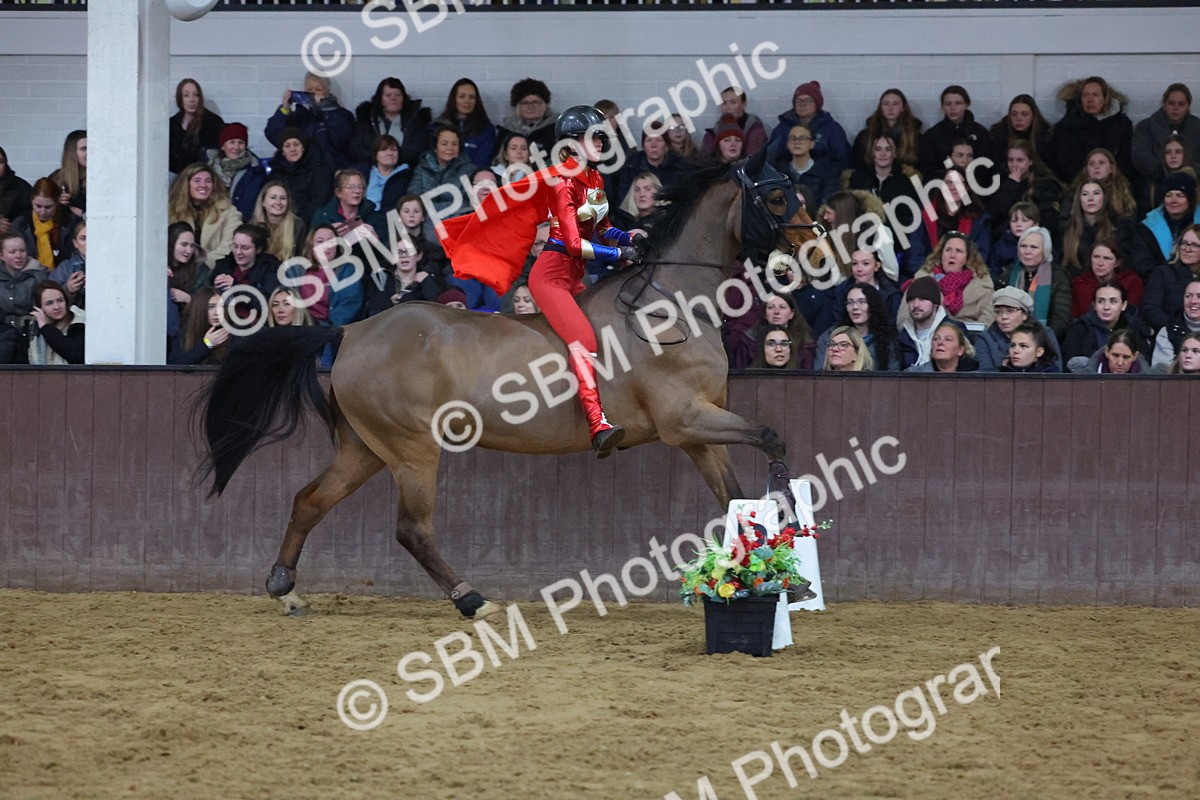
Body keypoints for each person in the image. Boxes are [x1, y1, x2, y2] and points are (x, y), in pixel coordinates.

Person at [439, 106, 644, 456]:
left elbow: (602, 229)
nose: (600, 143)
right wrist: (619, 255)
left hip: (574, 275)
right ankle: (596, 425)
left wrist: (629, 238)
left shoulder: (594, 180)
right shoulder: (562, 183)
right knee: (583, 339)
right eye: (595, 137)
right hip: (550, 277)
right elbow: (574, 244)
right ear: (573, 143)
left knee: (611, 334)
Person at [902, 169, 992, 277]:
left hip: (966, 280)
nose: (953, 187)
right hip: (928, 278)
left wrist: (956, 279)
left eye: (958, 183)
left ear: (967, 188)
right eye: (948, 182)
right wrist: (937, 276)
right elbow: (914, 259)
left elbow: (980, 259)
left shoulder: (980, 220)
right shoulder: (923, 217)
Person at [904, 232, 995, 328]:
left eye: (959, 251)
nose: (952, 255)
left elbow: (988, 321)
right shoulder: (921, 280)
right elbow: (904, 318)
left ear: (967, 258)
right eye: (948, 250)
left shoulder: (983, 284)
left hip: (970, 339)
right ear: (941, 254)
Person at [265, 72, 355, 170]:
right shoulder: (297, 117)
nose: (313, 93)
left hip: (329, 171)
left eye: (318, 89)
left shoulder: (341, 115)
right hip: (299, 171)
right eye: (309, 89)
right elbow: (273, 135)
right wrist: (284, 109)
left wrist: (324, 107)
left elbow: (341, 140)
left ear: (328, 91)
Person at [1052, 76, 1134, 183]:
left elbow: (1125, 160)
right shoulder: (1067, 127)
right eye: (1085, 95)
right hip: (1079, 184)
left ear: (1104, 99)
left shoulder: (1122, 125)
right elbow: (1068, 163)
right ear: (1080, 100)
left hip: (1114, 183)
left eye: (1095, 95)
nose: (1090, 100)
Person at [985, 140, 1063, 243]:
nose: (1014, 165)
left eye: (1020, 160)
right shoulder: (1000, 181)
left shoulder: (1046, 185)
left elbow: (1050, 220)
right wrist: (1011, 184)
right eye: (1010, 160)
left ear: (1030, 161)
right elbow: (993, 213)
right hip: (1006, 240)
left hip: (1036, 240)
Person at [167, 163, 243, 267]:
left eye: (208, 181)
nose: (203, 185)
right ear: (186, 184)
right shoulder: (170, 211)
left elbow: (229, 247)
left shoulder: (229, 212)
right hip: (176, 271)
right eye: (197, 180)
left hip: (213, 272)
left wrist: (199, 266)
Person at [765, 81, 850, 174]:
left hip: (822, 180)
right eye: (798, 100)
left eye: (808, 100)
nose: (802, 104)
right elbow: (771, 157)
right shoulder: (782, 128)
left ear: (817, 104)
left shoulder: (832, 128)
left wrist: (825, 177)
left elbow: (842, 159)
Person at [349, 77, 430, 173]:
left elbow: (417, 150)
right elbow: (355, 149)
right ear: (380, 99)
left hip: (405, 173)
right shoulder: (366, 121)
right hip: (370, 172)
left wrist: (389, 160)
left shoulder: (416, 121)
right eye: (388, 95)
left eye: (398, 95)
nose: (394, 99)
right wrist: (379, 160)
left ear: (404, 99)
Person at [1059, 180, 1138, 278]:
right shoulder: (1068, 229)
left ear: (1104, 198)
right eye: (1085, 194)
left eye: (1096, 193)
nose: (1090, 198)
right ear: (1079, 199)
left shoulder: (1119, 227)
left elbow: (1125, 263)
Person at [814, 283, 901, 371]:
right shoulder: (830, 337)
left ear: (873, 305)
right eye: (850, 302)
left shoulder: (888, 338)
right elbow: (819, 374)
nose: (855, 307)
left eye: (862, 302)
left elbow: (892, 375)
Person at [1004, 226, 1071, 339]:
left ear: (1045, 251)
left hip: (1045, 339)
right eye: (1023, 246)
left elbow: (1060, 318)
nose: (1027, 251)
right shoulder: (1008, 274)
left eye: (1033, 247)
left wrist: (1039, 340)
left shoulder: (1058, 277)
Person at [975, 286, 1063, 372]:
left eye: (1010, 311)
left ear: (1024, 314)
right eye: (998, 312)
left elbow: (1056, 369)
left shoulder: (1043, 332)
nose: (1003, 317)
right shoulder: (985, 338)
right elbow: (985, 375)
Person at [210, 224, 282, 327]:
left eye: (245, 248)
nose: (238, 252)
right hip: (223, 324)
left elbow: (266, 305)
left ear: (258, 249)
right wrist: (214, 289)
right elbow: (207, 299)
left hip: (256, 328)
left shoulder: (270, 269)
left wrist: (236, 286)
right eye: (235, 246)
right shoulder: (223, 266)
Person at [1132, 83, 1200, 190]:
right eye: (1171, 103)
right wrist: (1164, 171)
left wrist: (1188, 171)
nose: (1176, 108)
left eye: (1181, 104)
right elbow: (1140, 157)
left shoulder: (1197, 128)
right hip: (1154, 185)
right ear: (1164, 104)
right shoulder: (1145, 127)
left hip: (1192, 183)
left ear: (1188, 106)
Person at [1062, 283, 1151, 363]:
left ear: (1124, 305)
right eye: (1100, 301)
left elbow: (1144, 364)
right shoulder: (1079, 329)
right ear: (1094, 305)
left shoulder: (1135, 328)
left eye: (1113, 301)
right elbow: (1069, 366)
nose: (1106, 307)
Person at [918, 85, 991, 181]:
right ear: (942, 106)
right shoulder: (932, 136)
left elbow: (986, 167)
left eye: (958, 103)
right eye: (948, 104)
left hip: (976, 188)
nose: (953, 108)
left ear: (967, 105)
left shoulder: (981, 133)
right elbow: (928, 170)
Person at [1134, 172, 1200, 276]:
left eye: (1180, 195)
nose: (1173, 201)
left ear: (1190, 199)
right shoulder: (1147, 227)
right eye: (1168, 195)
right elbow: (1143, 265)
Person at [363, 235, 444, 317]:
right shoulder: (382, 278)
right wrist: (391, 304)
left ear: (419, 256)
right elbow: (374, 313)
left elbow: (438, 308)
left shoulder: (430, 278)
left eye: (409, 251)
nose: (403, 255)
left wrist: (428, 282)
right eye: (398, 252)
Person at [0, 231, 50, 362]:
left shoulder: (37, 276)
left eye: (22, 251)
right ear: (1, 255)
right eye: (12, 252)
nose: (19, 256)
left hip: (29, 333)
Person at [267, 127, 333, 226]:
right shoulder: (276, 172)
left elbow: (319, 203)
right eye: (287, 146)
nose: (293, 149)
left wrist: (297, 223)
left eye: (296, 144)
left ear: (303, 147)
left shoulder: (318, 170)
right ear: (283, 152)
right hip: (279, 223)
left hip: (308, 224)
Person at [410, 125, 478, 219]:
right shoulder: (423, 167)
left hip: (456, 220)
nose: (450, 148)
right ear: (435, 148)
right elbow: (413, 196)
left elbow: (469, 203)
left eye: (454, 144)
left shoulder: (469, 170)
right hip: (426, 219)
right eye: (444, 143)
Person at [11, 178, 81, 269]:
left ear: (57, 202)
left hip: (64, 277)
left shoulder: (70, 222)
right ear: (31, 201)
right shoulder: (21, 224)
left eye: (48, 207)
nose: (42, 212)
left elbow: (76, 256)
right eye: (38, 206)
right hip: (29, 276)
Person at [895, 275, 961, 369]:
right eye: (911, 300)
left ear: (935, 304)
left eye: (922, 299)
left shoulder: (956, 331)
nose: (916, 305)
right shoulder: (902, 336)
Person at [1143, 224, 1200, 331]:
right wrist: (1177, 329)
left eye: (1194, 245)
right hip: (1170, 335)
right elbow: (1151, 310)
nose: (1187, 249)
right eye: (1184, 243)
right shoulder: (1163, 273)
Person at [208, 122, 267, 223]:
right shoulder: (208, 169)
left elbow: (249, 206)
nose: (236, 147)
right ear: (223, 146)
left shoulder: (255, 172)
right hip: (211, 220)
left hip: (241, 224)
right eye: (232, 142)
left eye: (241, 142)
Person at [851, 88, 923, 171]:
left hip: (905, 181)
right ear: (881, 108)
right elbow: (858, 165)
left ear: (903, 108)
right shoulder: (865, 136)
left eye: (895, 104)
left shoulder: (916, 138)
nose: (891, 108)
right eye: (886, 104)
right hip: (874, 181)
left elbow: (921, 169)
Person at [1070, 239, 1143, 319]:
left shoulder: (1131, 282)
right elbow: (1075, 316)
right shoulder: (1079, 283)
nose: (1100, 263)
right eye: (1096, 257)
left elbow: (1132, 315)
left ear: (1117, 263)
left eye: (1107, 258)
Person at [434, 77, 497, 170]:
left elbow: (482, 163)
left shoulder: (486, 130)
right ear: (454, 99)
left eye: (471, 97)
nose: (467, 101)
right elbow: (432, 160)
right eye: (462, 96)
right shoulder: (437, 126)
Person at [769, 123, 838, 207]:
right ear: (787, 144)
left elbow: (828, 202)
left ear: (812, 144)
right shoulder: (777, 171)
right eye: (793, 138)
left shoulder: (827, 171)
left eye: (802, 138)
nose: (797, 142)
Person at [614, 122, 685, 203]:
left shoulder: (679, 167)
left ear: (666, 145)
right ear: (643, 146)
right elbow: (623, 201)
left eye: (659, 140)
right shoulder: (632, 166)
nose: (653, 145)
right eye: (649, 140)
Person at [988, 94, 1056, 176]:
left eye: (1024, 114)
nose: (1019, 118)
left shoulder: (1046, 137)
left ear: (1033, 116)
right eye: (1014, 114)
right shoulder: (999, 136)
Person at [1064, 148, 1138, 221]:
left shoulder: (1122, 190)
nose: (1096, 167)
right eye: (1091, 164)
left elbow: (1129, 219)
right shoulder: (1075, 192)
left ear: (1111, 168)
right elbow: (1065, 221)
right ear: (1086, 170)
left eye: (1101, 163)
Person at [170, 78, 225, 175]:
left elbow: (217, 156)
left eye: (196, 95)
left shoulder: (213, 122)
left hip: (202, 177)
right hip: (176, 178)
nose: (192, 100)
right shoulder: (172, 123)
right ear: (180, 98)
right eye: (186, 95)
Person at [496, 77, 557, 159]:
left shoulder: (557, 130)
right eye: (525, 103)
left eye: (536, 102)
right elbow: (498, 159)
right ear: (517, 106)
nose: (531, 107)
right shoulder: (506, 132)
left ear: (545, 105)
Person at [27, 280, 84, 365]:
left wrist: (45, 327)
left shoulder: (78, 323)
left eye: (60, 300)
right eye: (49, 303)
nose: (56, 307)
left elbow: (76, 356)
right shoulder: (31, 328)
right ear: (39, 307)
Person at [168, 286, 228, 365]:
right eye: (211, 307)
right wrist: (207, 344)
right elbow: (174, 366)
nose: (217, 312)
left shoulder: (230, 334)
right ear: (200, 309)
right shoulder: (184, 333)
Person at [250, 181, 307, 263]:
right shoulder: (253, 226)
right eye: (273, 197)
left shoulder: (298, 225)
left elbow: (301, 258)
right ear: (263, 202)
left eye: (283, 198)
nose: (278, 202)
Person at [701, 87, 768, 156]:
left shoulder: (756, 130)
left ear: (744, 105)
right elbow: (707, 160)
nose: (728, 108)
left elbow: (752, 160)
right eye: (724, 103)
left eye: (733, 102)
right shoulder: (712, 134)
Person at [1140, 134, 1195, 216]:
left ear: (1185, 154)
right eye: (1168, 152)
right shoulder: (1153, 180)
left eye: (1178, 152)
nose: (1173, 156)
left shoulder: (1196, 179)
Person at [1151, 279, 1200, 369]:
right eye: (1188, 296)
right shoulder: (1167, 332)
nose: (1193, 301)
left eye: (1199, 296)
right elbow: (1161, 370)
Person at [988, 201, 1040, 283]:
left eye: (1025, 220)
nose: (1018, 224)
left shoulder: (1044, 246)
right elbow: (993, 270)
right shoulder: (1001, 244)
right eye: (1014, 220)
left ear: (1035, 224)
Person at [166, 221, 209, 313]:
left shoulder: (200, 270)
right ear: (171, 244)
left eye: (192, 246)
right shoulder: (155, 266)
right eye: (184, 245)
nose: (189, 251)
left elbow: (209, 305)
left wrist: (188, 299)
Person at [906, 320, 978, 373]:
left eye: (948, 339)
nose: (940, 342)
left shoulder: (976, 380)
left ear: (960, 350)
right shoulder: (913, 375)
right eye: (936, 339)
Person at [1069, 328, 1149, 374]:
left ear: (1135, 356)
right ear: (1106, 352)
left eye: (1126, 357)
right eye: (1115, 355)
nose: (1120, 363)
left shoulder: (1149, 384)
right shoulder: (1086, 378)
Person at [49, 223, 87, 309]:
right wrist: (67, 289)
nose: (89, 243)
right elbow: (48, 297)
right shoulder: (64, 268)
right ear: (75, 243)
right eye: (83, 238)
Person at [51, 130, 86, 216]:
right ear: (72, 152)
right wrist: (57, 203)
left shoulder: (101, 178)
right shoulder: (57, 179)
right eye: (83, 149)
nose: (89, 153)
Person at [0, 146, 33, 234]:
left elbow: (31, 212)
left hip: (13, 235)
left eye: (0, 162)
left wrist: (13, 225)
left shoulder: (20, 186)